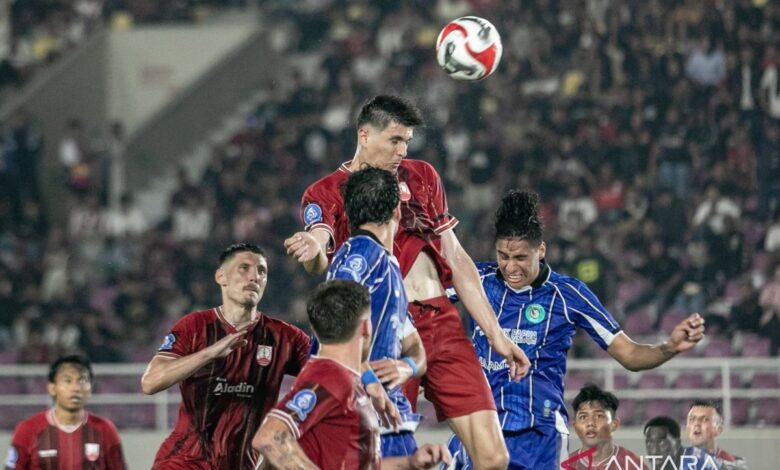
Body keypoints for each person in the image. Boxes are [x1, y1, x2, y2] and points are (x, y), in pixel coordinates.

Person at [285, 94, 529, 469]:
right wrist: (313, 247)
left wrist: (496, 334)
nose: (402, 151)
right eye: (395, 140)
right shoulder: (326, 191)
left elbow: (456, 257)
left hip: (441, 322)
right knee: (387, 459)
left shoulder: (422, 176)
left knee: (494, 458)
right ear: (364, 135)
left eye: (407, 141)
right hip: (385, 335)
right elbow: (320, 245)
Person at [446, 190, 705, 469]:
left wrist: (670, 347)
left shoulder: (568, 294)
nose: (510, 267)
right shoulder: (477, 280)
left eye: (520, 257)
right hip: (479, 429)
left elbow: (629, 354)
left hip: (539, 437)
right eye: (503, 256)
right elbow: (420, 297)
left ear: (540, 250)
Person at [141, 243, 310, 469]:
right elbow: (150, 383)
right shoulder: (194, 326)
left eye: (262, 271)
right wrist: (211, 353)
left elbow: (330, 374)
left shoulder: (285, 337)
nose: (255, 277)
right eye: (244, 268)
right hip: (184, 461)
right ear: (221, 277)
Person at [252, 279, 450, 469]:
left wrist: (410, 463)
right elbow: (270, 437)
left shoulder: (345, 379)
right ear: (365, 327)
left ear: (315, 329)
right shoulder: (330, 378)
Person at [324, 166, 427, 457]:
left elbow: (416, 350)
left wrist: (406, 367)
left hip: (387, 414)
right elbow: (335, 330)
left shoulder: (387, 267)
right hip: (362, 413)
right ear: (397, 210)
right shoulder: (360, 256)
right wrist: (370, 382)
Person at [5, 355, 127, 469]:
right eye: (67, 381)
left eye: (82, 381)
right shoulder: (28, 429)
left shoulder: (105, 429)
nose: (75, 388)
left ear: (90, 388)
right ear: (52, 388)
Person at [565, 384, 644, 470]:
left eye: (598, 416)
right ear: (575, 426)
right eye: (583, 417)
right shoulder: (563, 466)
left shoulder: (634, 466)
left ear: (614, 424)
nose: (590, 423)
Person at [644, 416, 723, 470]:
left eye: (662, 443)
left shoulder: (697, 461)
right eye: (649, 443)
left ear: (677, 443)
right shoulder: (661, 464)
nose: (654, 451)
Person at [686, 401, 745, 466]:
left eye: (704, 419)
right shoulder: (679, 462)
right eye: (692, 419)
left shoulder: (730, 464)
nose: (696, 424)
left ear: (719, 429)